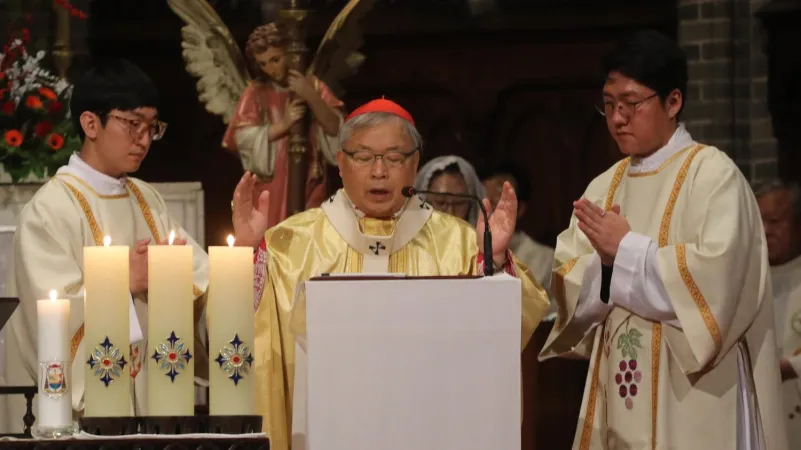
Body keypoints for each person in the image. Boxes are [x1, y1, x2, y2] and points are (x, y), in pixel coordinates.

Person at [231, 98, 550, 450]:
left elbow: (512, 327)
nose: (379, 171)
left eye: (394, 158)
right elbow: (250, 338)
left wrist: (495, 257)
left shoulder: (458, 243)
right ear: (340, 162)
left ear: (415, 163)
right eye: (364, 157)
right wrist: (246, 258)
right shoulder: (290, 244)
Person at [538, 30, 787, 449]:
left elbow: (720, 287)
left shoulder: (714, 176)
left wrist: (627, 252)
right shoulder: (602, 188)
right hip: (618, 390)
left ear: (673, 102)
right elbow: (569, 293)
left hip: (697, 399)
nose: (617, 118)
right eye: (610, 104)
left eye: (631, 104)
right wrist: (604, 266)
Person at [0, 58, 209, 431]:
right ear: (90, 123)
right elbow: (44, 316)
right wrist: (119, 281)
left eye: (151, 127)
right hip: (83, 420)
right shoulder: (49, 211)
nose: (144, 139)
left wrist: (245, 246)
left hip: (156, 404)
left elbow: (204, 281)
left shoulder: (147, 200)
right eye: (132, 124)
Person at [222, 23, 345, 228]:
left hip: (309, 177)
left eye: (275, 60)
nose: (270, 69)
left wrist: (311, 97)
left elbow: (337, 130)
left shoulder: (312, 85)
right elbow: (240, 138)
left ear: (289, 54)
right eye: (263, 64)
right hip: (272, 185)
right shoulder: (255, 92)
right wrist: (283, 124)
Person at [755, 179, 801, 448]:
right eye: (761, 221)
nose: (766, 230)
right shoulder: (746, 280)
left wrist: (791, 367)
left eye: (775, 221)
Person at [483, 165, 555, 297]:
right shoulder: (463, 249)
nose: (488, 204)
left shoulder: (545, 259)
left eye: (498, 198)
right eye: (484, 194)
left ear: (520, 208)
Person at [413, 155, 486, 227]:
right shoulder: (409, 238)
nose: (450, 213)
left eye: (459, 203)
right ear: (425, 202)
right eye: (441, 203)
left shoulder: (484, 238)